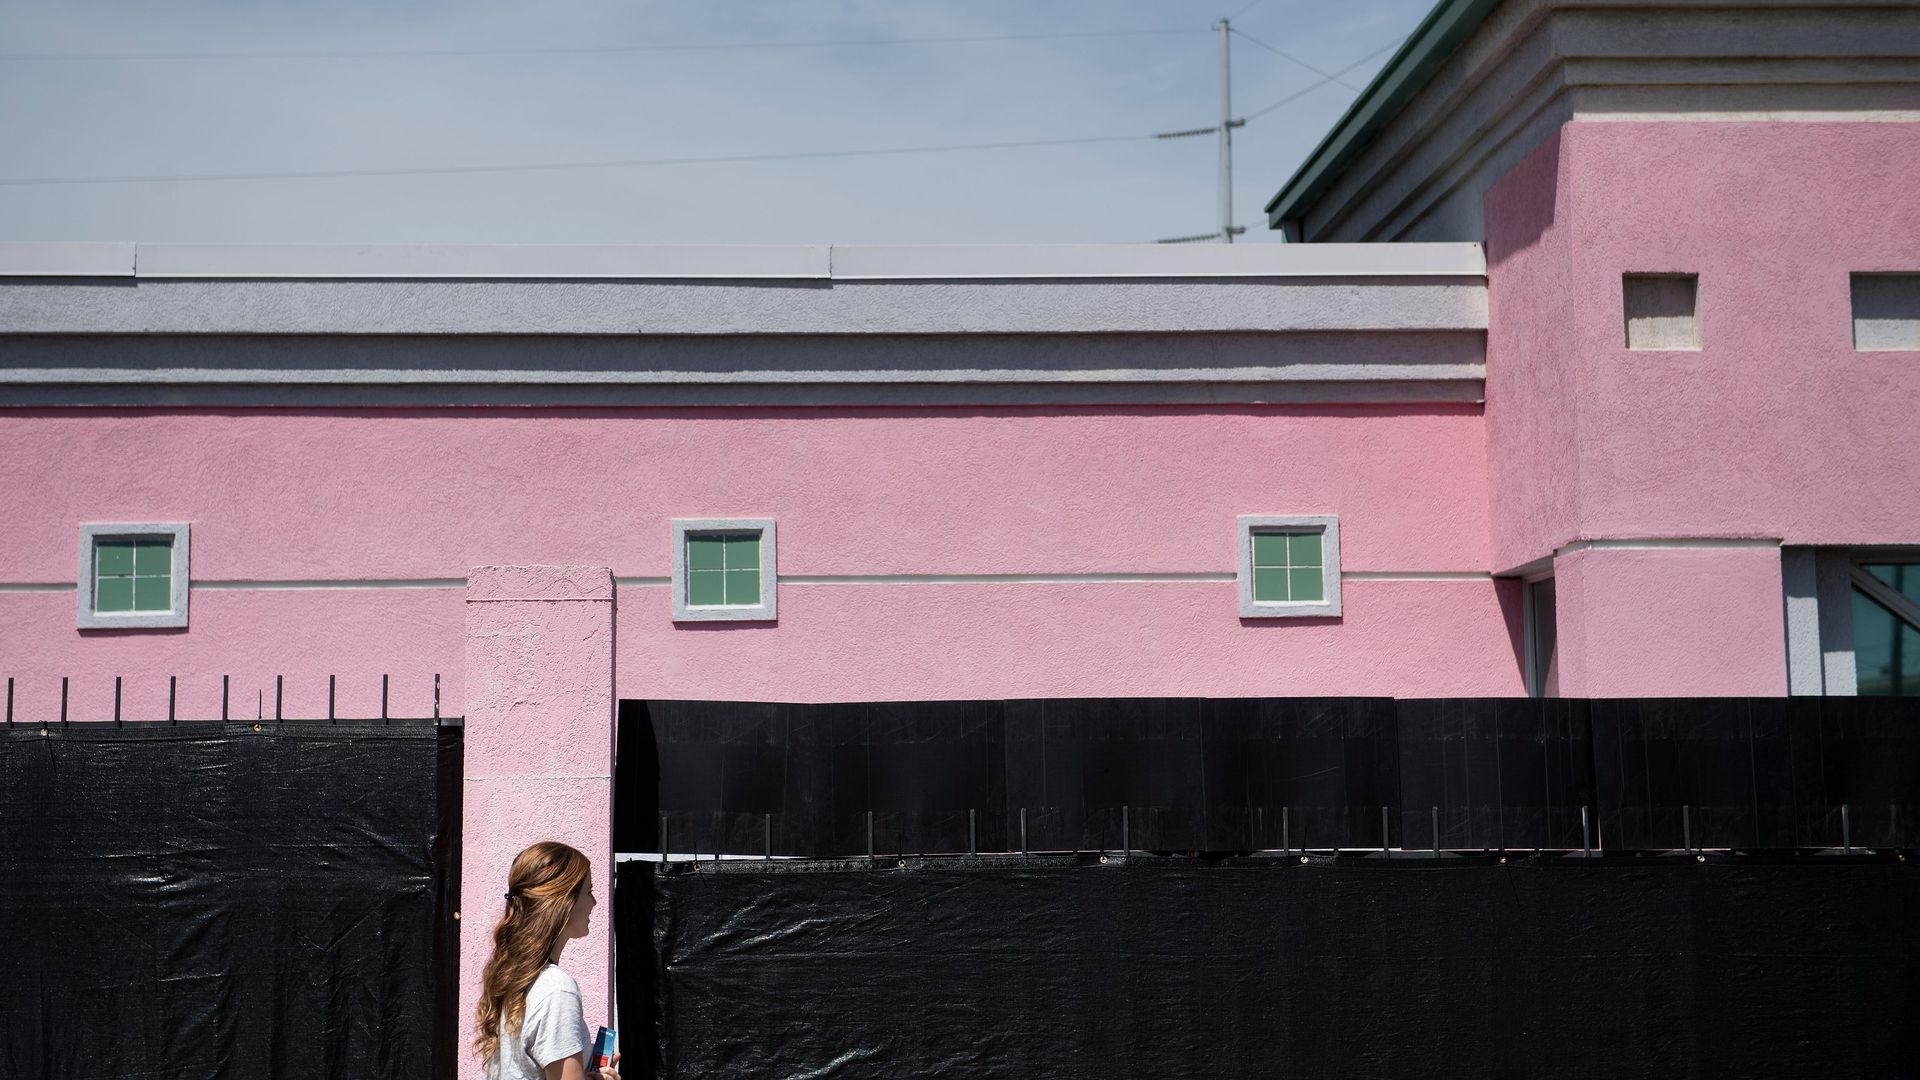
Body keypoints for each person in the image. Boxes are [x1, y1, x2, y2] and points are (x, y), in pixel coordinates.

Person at [474, 841, 620, 1080]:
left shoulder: (516, 977)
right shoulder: (557, 989)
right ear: (564, 903)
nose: (594, 904)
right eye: (589, 892)